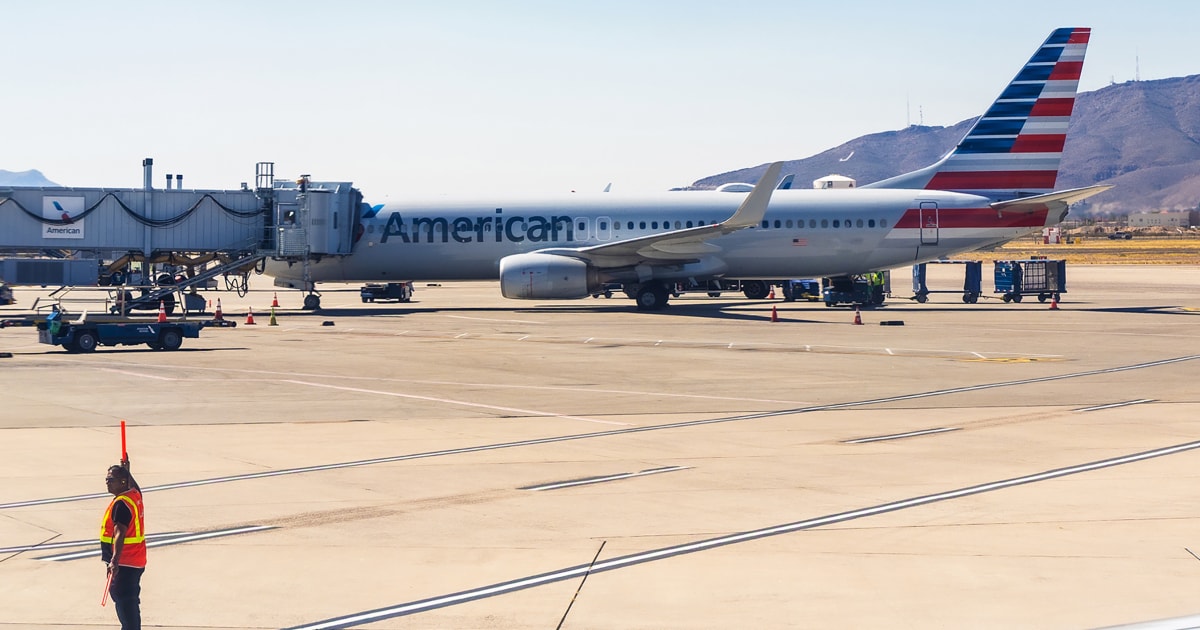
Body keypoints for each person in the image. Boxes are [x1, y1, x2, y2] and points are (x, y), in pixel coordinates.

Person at [101, 461, 145, 629]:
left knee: (124, 600)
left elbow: (120, 532)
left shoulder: (121, 504)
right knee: (129, 601)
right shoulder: (133, 496)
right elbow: (138, 490)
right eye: (106, 479)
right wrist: (128, 472)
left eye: (111, 479)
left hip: (124, 562)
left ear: (123, 482)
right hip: (136, 560)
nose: (107, 482)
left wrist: (114, 560)